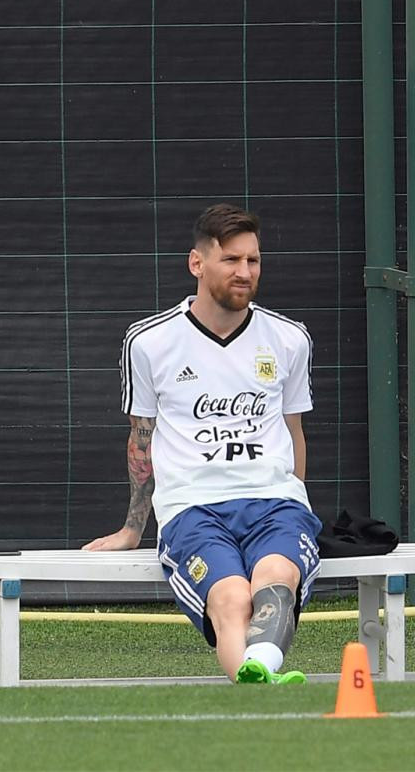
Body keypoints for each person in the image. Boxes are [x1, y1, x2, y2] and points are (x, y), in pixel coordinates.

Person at [83, 203, 322, 685]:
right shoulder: (149, 341)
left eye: (253, 261)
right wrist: (133, 529)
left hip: (274, 503)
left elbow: (294, 431)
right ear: (197, 263)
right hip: (192, 507)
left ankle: (262, 679)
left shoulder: (289, 338)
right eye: (232, 260)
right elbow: (141, 440)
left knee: (276, 580)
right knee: (231, 597)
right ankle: (260, 690)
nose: (245, 272)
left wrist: (295, 499)